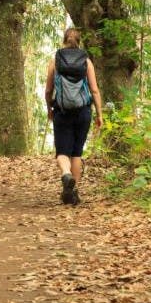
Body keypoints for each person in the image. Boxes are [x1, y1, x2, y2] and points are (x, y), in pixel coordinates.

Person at [44, 27, 103, 205]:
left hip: (62, 112)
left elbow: (48, 90)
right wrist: (99, 114)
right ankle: (73, 192)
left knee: (62, 152)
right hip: (83, 112)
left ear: (64, 40)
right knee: (76, 153)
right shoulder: (86, 61)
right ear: (79, 41)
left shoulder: (55, 61)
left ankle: (66, 174)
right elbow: (94, 90)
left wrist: (49, 108)